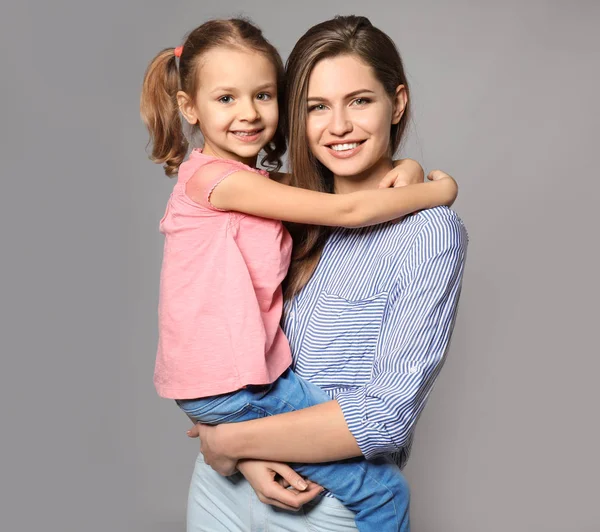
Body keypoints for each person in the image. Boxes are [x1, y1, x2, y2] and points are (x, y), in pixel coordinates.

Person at [140, 17, 457, 532]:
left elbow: (384, 417)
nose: (338, 126)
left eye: (360, 101)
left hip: (310, 498)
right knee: (386, 498)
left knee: (384, 498)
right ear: (189, 107)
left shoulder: (422, 234)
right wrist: (440, 185)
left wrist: (230, 443)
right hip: (224, 482)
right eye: (316, 107)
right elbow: (350, 210)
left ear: (396, 103)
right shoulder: (271, 199)